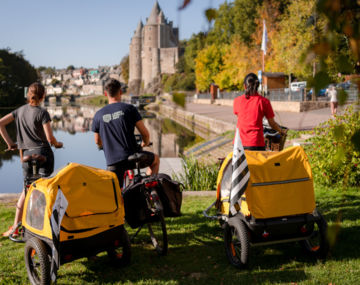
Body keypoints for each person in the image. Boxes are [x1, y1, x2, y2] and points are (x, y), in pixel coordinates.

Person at [0, 82, 63, 237]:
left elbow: (0, 124)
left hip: (26, 155)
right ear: (42, 96)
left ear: (29, 95)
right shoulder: (42, 112)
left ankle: (15, 227)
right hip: (43, 154)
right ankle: (43, 228)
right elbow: (49, 138)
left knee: (26, 189)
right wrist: (57, 144)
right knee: (45, 189)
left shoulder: (19, 111)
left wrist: (10, 144)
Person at [92, 79, 159, 187]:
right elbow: (145, 134)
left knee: (116, 195)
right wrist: (144, 143)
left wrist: (102, 146)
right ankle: (148, 188)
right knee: (155, 160)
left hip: (113, 161)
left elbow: (97, 141)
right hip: (133, 158)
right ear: (120, 92)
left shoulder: (98, 115)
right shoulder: (129, 109)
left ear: (105, 94)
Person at [233, 73, 285, 151]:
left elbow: (242, 118)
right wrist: (281, 131)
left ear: (244, 86)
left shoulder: (237, 101)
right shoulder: (264, 101)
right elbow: (272, 124)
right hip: (255, 143)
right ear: (258, 86)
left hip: (238, 144)